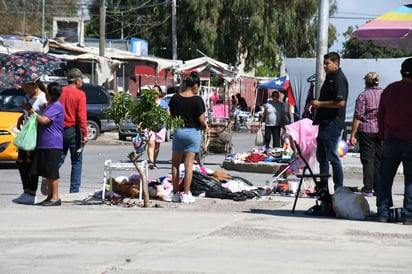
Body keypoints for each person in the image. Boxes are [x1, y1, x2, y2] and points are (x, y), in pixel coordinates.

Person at [376, 58, 412, 225]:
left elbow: (380, 116)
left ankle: (383, 213)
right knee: (410, 180)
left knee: (385, 178)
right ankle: (408, 216)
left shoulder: (389, 90)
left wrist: (383, 136)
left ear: (401, 72)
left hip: (391, 139)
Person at [166, 71, 208, 204]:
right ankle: (186, 194)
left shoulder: (175, 98)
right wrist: (206, 125)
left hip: (179, 132)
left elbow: (169, 113)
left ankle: (175, 193)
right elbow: (201, 119)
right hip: (193, 133)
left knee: (175, 164)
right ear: (195, 86)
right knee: (189, 165)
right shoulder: (197, 100)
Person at [310, 52, 348, 191]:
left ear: (336, 64)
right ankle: (323, 187)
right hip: (324, 122)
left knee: (333, 156)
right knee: (322, 157)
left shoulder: (338, 79)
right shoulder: (330, 77)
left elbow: (340, 102)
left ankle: (338, 188)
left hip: (332, 123)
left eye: (328, 63)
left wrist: (320, 104)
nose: (325, 66)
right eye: (324, 64)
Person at [12, 78, 47, 205]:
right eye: (23, 88)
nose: (25, 90)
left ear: (35, 85)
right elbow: (27, 113)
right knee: (21, 162)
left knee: (31, 163)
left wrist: (31, 110)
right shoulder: (27, 96)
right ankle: (26, 191)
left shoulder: (43, 98)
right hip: (26, 133)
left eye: (27, 87)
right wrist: (22, 116)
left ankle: (32, 193)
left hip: (36, 134)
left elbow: (44, 117)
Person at [30, 82, 64, 206]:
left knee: (52, 172)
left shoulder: (56, 106)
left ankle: (55, 197)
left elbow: (44, 120)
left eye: (47, 91)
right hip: (45, 143)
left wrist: (33, 113)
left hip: (53, 143)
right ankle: (49, 196)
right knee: (47, 172)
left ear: (49, 93)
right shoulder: (49, 106)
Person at [349, 72, 383, 197]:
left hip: (366, 130)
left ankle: (368, 188)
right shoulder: (384, 94)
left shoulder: (363, 95)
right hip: (380, 130)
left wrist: (353, 134)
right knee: (379, 160)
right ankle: (379, 188)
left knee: (368, 160)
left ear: (366, 82)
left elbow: (358, 116)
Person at [59, 68, 88, 193]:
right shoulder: (80, 94)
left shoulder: (60, 91)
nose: (82, 82)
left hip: (59, 130)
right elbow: (82, 116)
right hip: (73, 131)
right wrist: (85, 134)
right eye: (81, 79)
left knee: (59, 159)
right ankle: (74, 190)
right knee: (76, 162)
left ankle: (50, 180)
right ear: (77, 81)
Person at [146, 85, 170, 169]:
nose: (154, 93)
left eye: (156, 91)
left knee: (157, 146)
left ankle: (154, 161)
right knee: (151, 143)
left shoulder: (164, 103)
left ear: (159, 93)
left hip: (160, 127)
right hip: (150, 126)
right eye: (152, 91)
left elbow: (168, 114)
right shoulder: (149, 103)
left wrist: (167, 121)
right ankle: (151, 162)